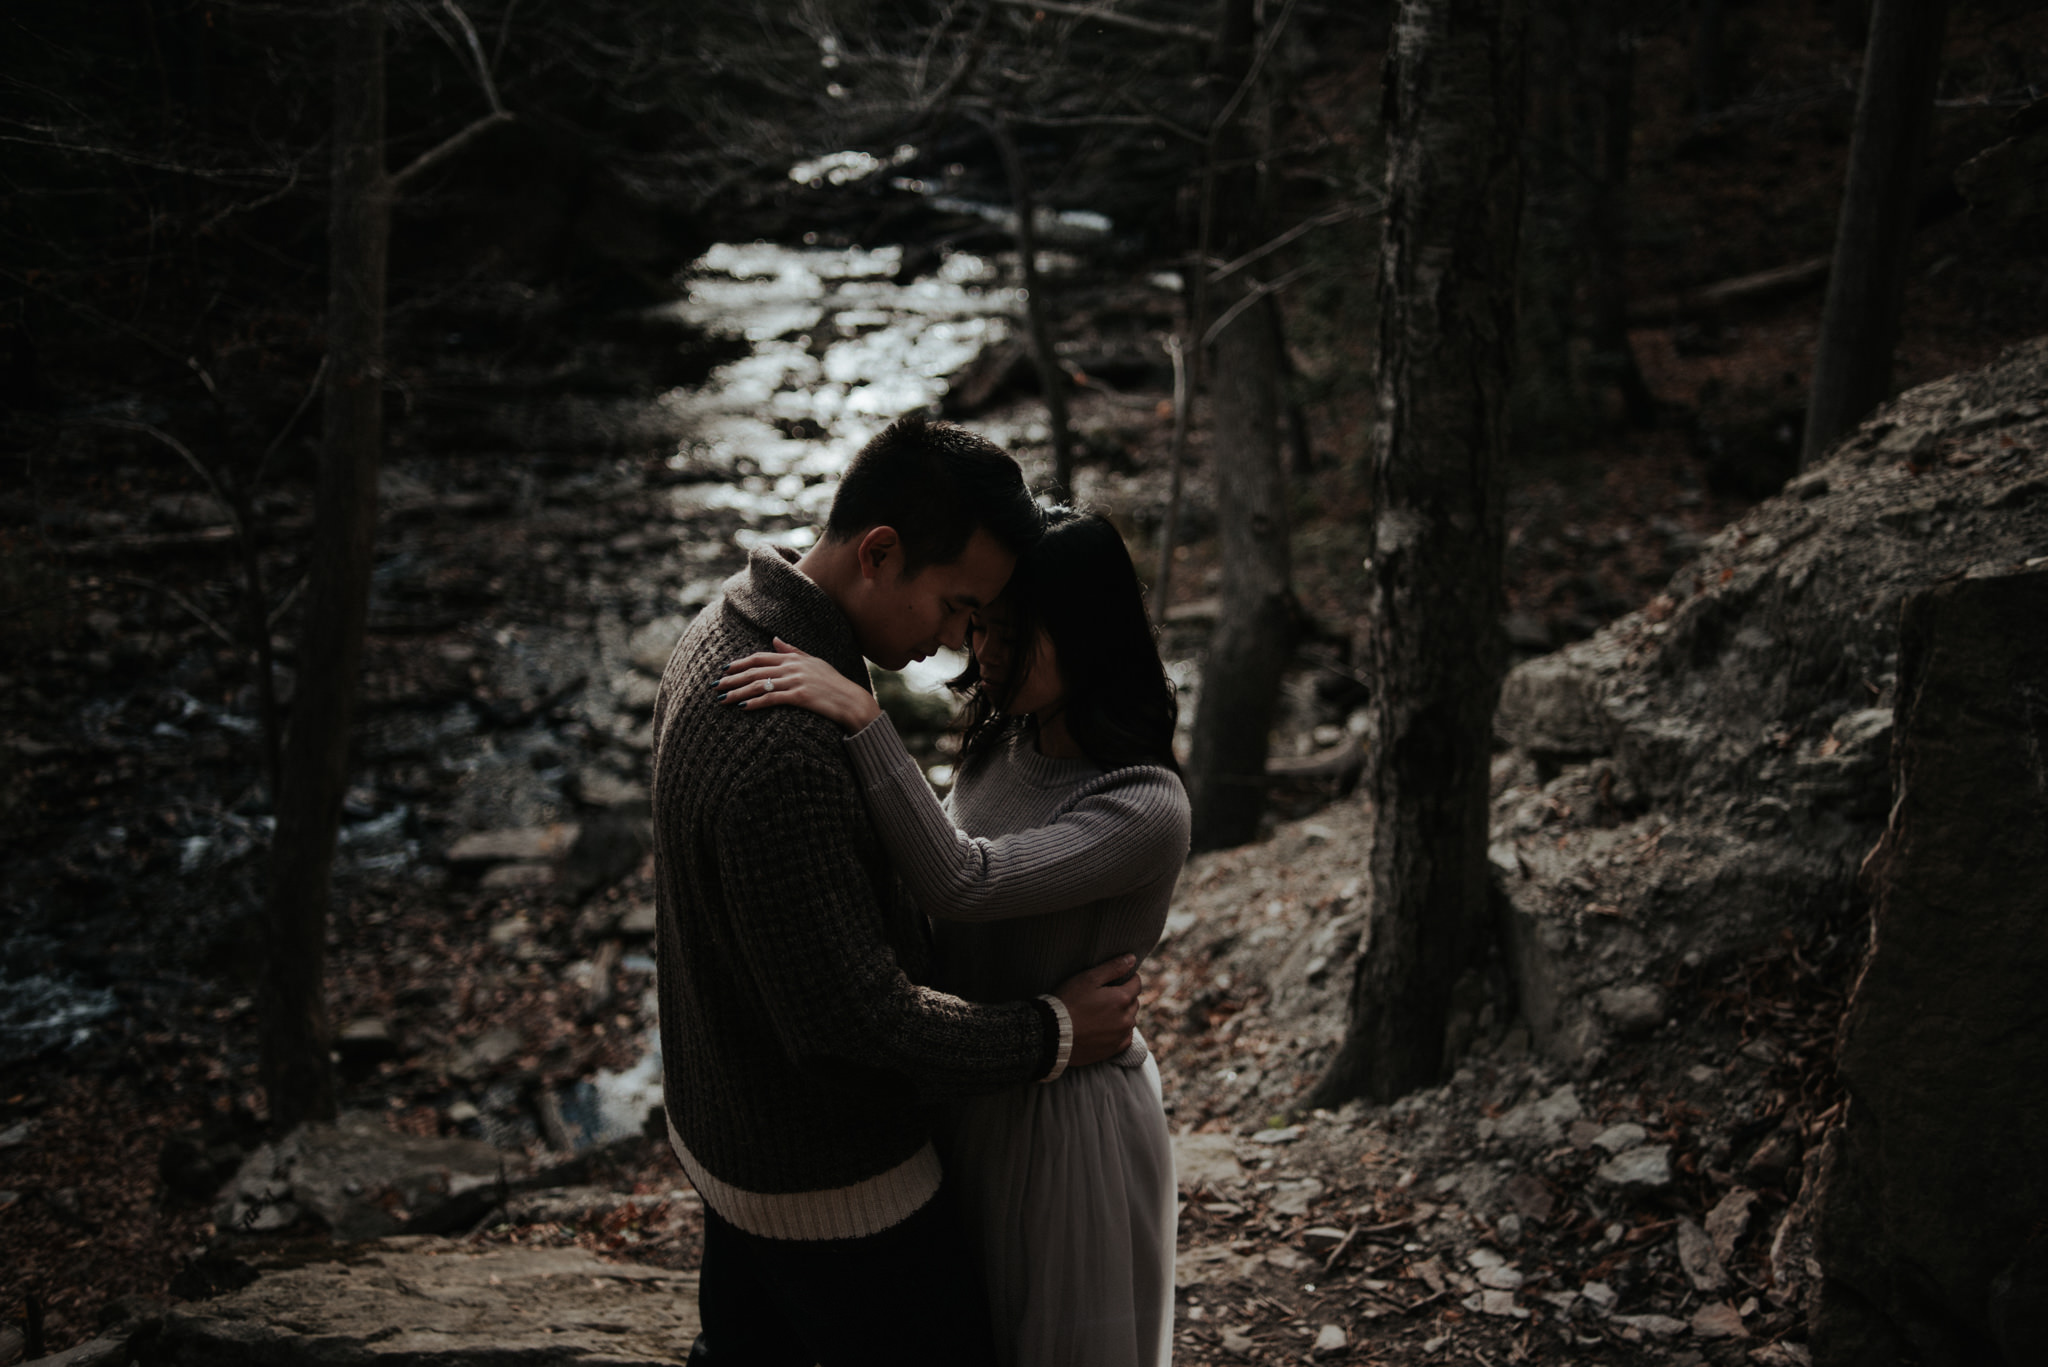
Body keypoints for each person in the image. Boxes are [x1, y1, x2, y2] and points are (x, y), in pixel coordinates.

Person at [650, 418, 1147, 1367]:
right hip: (834, 1191)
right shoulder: (782, 746)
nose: (961, 644)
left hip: (735, 1148)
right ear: (880, 552)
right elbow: (859, 1028)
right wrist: (1053, 1032)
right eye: (959, 606)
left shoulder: (718, 630)